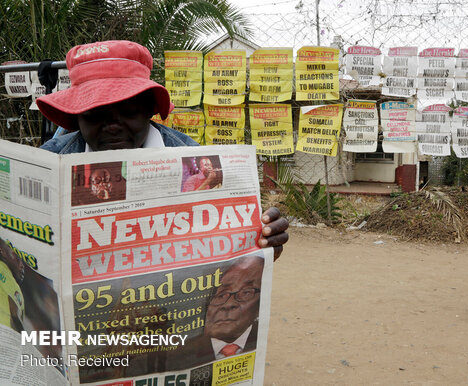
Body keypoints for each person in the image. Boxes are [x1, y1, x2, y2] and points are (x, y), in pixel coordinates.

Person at [36, 40, 288, 259]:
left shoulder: (192, 155)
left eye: (128, 110)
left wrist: (259, 241)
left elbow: (227, 247)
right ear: (77, 116)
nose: (112, 126)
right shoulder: (48, 161)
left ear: (149, 109)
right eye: (95, 113)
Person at [165, 255, 264, 369]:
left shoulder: (262, 337)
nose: (228, 304)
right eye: (221, 295)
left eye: (246, 292)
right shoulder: (180, 353)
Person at [0, 238, 25, 332]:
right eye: (17, 257)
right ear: (2, 251)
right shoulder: (4, 270)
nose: (22, 265)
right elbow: (15, 315)